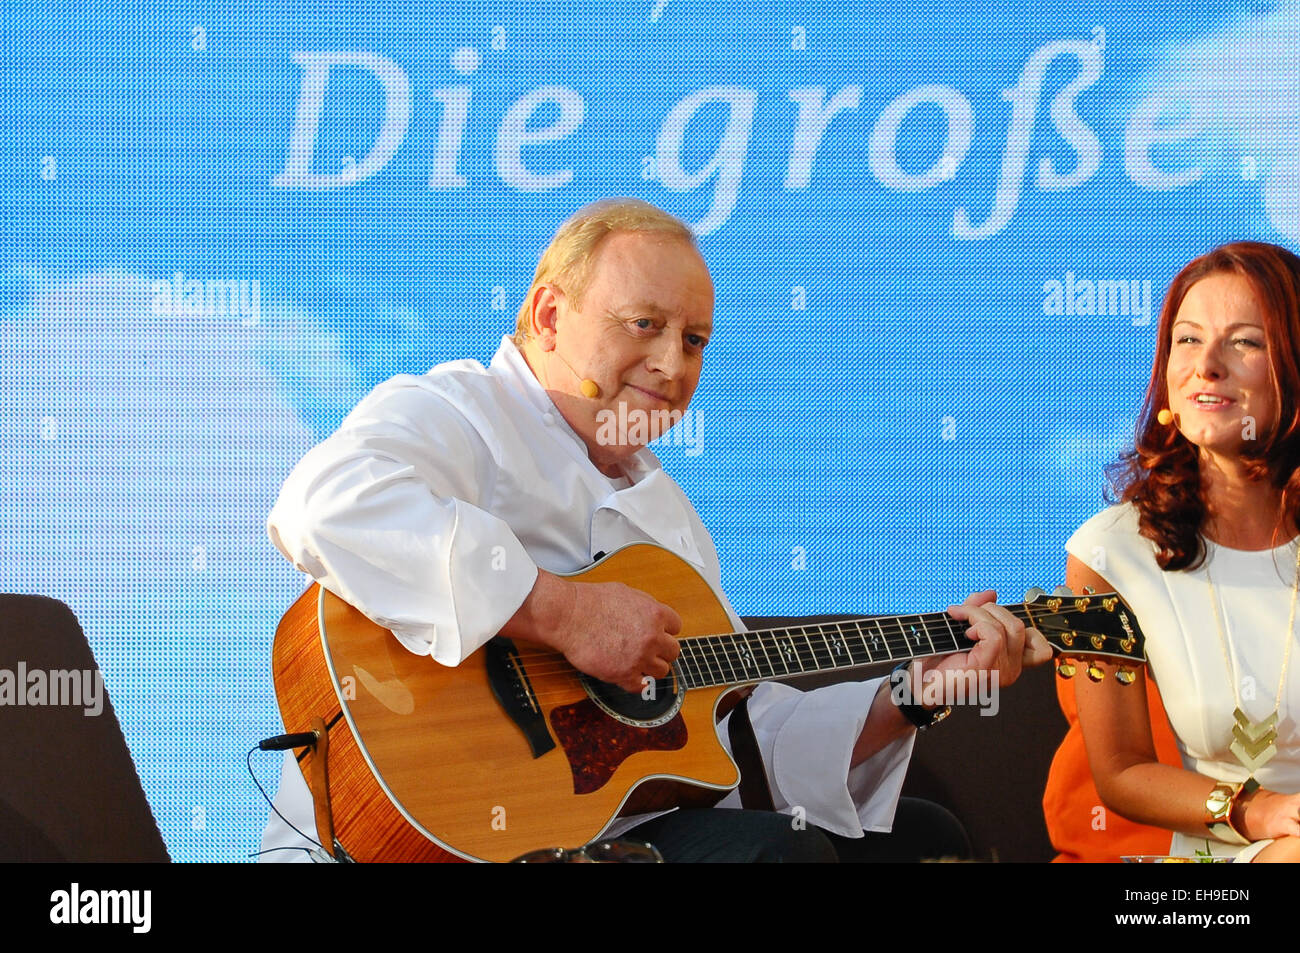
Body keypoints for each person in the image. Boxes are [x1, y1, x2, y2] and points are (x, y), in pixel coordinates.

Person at [259, 197, 1051, 862]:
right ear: (548, 315)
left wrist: (918, 692)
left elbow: (745, 738)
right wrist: (563, 615)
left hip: (620, 834)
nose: (673, 365)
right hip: (449, 826)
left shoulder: (668, 513)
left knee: (922, 837)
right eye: (644, 324)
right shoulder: (459, 409)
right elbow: (320, 503)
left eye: (695, 340)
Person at [1063, 241, 1300, 862]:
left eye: (1245, 342)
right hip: (1219, 865)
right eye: (1188, 340)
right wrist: (1263, 811)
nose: (1207, 367)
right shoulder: (1109, 553)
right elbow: (1121, 771)